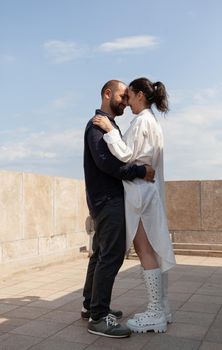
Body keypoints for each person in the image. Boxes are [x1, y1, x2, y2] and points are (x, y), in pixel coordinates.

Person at [92, 77, 176, 334]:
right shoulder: (153, 123)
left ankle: (155, 312)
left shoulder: (141, 122)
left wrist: (109, 130)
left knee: (145, 251)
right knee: (151, 249)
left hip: (139, 194)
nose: (126, 103)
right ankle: (161, 308)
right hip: (147, 192)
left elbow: (126, 155)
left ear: (140, 95)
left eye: (128, 96)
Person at [82, 79, 155, 338]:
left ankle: (91, 305)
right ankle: (99, 317)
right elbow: (107, 165)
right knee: (111, 257)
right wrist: (141, 171)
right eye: (122, 97)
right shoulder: (97, 126)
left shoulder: (109, 126)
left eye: (128, 98)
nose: (126, 102)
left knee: (100, 254)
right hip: (107, 200)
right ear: (107, 94)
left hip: (105, 199)